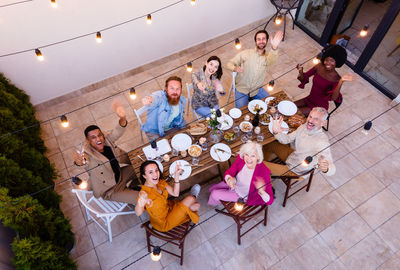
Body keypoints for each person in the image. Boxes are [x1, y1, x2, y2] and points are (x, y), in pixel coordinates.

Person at [73, 101, 140, 204]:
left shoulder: (106, 140)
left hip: (120, 175)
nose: (98, 139)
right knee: (144, 200)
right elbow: (83, 162)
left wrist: (122, 118)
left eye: (99, 135)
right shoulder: (87, 153)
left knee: (143, 167)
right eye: (93, 137)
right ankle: (131, 194)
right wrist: (79, 162)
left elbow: (117, 131)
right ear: (88, 141)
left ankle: (132, 187)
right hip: (111, 189)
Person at [264, 107, 336, 177]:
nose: (310, 121)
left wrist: (326, 169)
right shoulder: (304, 126)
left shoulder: (322, 141)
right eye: (310, 116)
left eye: (316, 119)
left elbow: (331, 166)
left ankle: (266, 180)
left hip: (296, 171)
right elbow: (288, 139)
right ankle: (264, 171)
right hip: (292, 156)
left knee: (259, 166)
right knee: (267, 145)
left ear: (323, 123)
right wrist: (276, 132)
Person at [135, 160, 201, 232]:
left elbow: (175, 194)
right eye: (150, 172)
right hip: (163, 222)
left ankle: (190, 205)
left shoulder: (160, 182)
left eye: (156, 170)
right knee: (192, 200)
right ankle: (193, 198)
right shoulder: (144, 194)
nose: (155, 174)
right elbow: (138, 213)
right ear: (144, 176)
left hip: (169, 207)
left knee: (196, 205)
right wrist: (140, 203)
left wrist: (176, 177)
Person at [226, 30, 283, 108]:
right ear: (255, 41)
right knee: (241, 113)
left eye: (263, 39)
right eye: (258, 39)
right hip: (242, 90)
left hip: (257, 89)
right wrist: (234, 68)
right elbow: (229, 63)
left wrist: (274, 47)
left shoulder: (267, 58)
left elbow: (272, 60)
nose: (261, 41)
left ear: (266, 41)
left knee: (272, 105)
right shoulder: (246, 53)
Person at [208, 142, 274, 206]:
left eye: (253, 156)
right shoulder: (241, 158)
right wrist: (229, 178)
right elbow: (230, 171)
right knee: (212, 188)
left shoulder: (263, 172)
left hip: (241, 195)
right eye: (246, 155)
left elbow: (270, 201)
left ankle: (216, 202)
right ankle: (222, 195)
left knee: (214, 194)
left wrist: (262, 192)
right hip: (235, 183)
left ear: (258, 157)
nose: (249, 159)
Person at [295, 44, 354, 116]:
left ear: (337, 62)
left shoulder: (336, 78)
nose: (328, 63)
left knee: (294, 114)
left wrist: (341, 81)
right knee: (288, 106)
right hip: (309, 99)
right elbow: (303, 78)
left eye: (332, 61)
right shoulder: (319, 67)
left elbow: (333, 98)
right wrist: (301, 71)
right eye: (326, 60)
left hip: (320, 107)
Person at [141, 76, 186, 141]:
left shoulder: (182, 100)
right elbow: (156, 98)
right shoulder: (161, 97)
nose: (175, 92)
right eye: (172, 88)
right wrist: (149, 99)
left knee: (183, 141)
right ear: (166, 89)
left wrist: (185, 129)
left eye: (178, 89)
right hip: (154, 131)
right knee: (162, 149)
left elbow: (180, 119)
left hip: (170, 127)